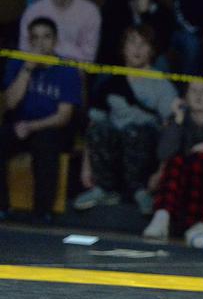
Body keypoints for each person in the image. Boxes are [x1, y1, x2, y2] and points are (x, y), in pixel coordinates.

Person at [73, 25, 178, 212]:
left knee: (135, 132)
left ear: (151, 50)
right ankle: (104, 188)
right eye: (132, 43)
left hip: (144, 149)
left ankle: (140, 191)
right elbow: (94, 124)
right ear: (123, 48)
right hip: (114, 149)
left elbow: (171, 126)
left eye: (143, 44)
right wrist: (86, 168)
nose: (137, 49)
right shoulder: (110, 79)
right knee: (101, 129)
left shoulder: (162, 84)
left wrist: (161, 172)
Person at [0, 18, 80, 223]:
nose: (40, 43)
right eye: (34, 38)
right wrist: (27, 69)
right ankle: (2, 206)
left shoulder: (67, 70)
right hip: (19, 125)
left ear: (55, 41)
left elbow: (64, 116)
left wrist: (32, 126)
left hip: (50, 126)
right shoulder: (17, 63)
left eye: (46, 37)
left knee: (46, 142)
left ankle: (42, 211)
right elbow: (10, 103)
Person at [142, 80, 203, 241]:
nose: (198, 96)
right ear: (185, 97)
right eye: (193, 91)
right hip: (182, 177)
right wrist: (177, 120)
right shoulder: (179, 118)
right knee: (175, 161)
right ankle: (162, 216)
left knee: (201, 158)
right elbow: (164, 153)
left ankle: (197, 223)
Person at [18, 0, 101, 62]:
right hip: (38, 65)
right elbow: (24, 49)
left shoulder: (90, 12)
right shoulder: (34, 10)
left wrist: (56, 47)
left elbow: (88, 57)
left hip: (73, 69)